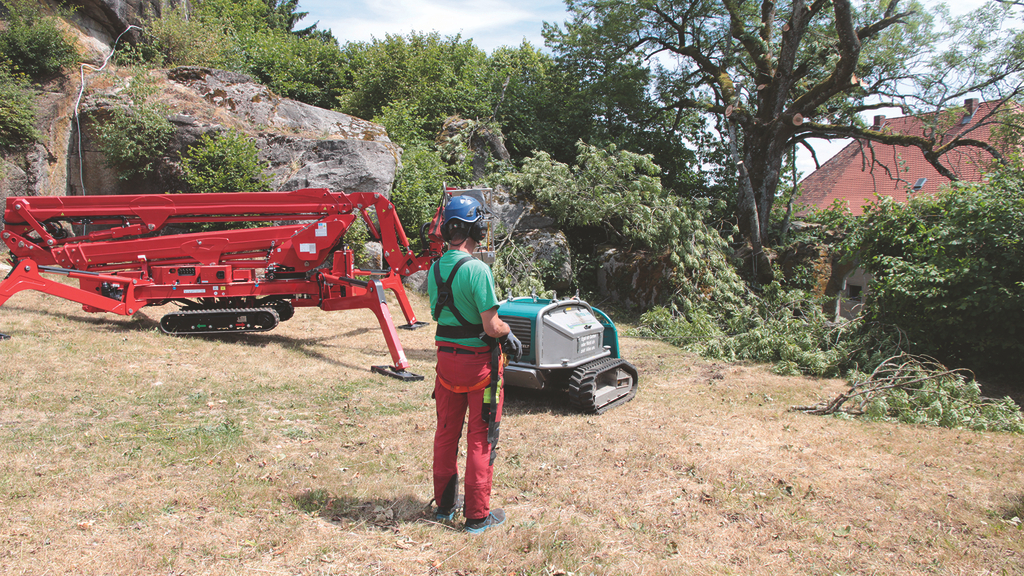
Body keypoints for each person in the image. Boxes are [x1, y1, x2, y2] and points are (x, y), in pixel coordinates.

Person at [427, 195, 522, 534]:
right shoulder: (478, 270)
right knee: (481, 439)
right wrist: (508, 333)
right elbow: (491, 326)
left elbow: (441, 315)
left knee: (445, 434)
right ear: (474, 228)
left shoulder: (435, 269)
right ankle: (478, 516)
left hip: (445, 365)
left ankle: (444, 507)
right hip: (479, 370)